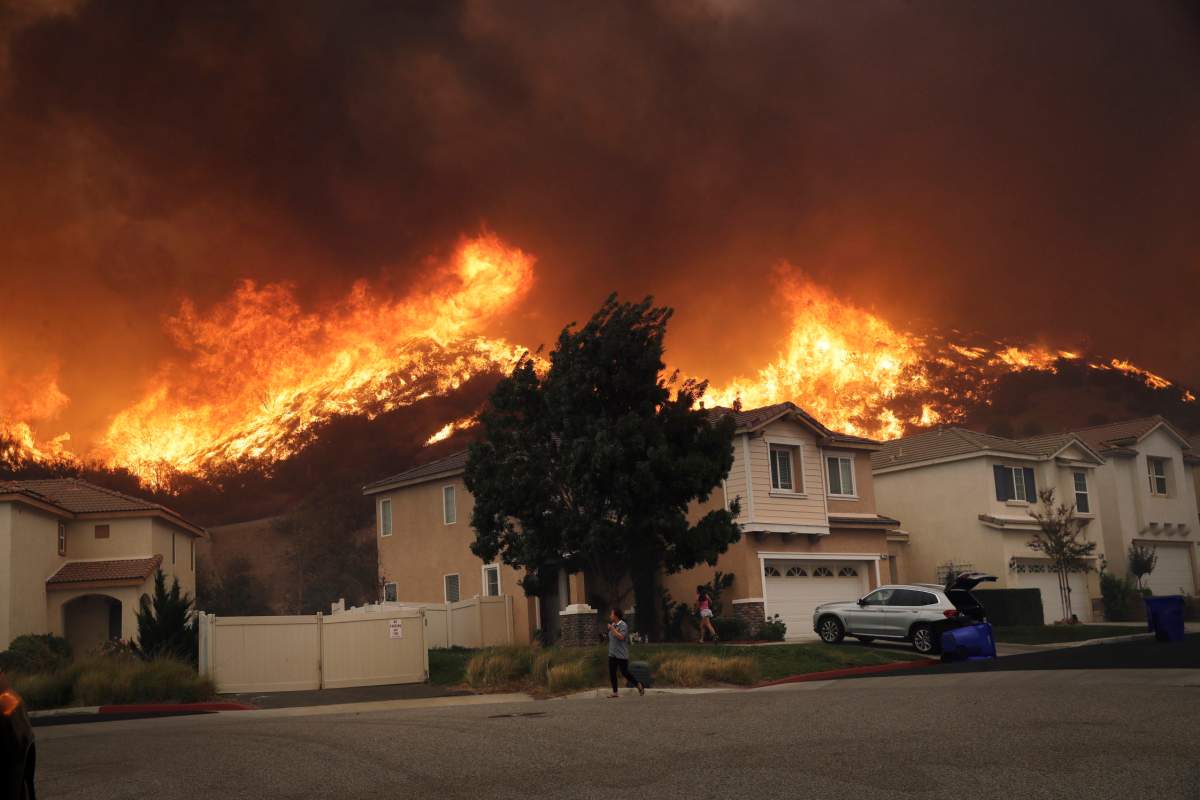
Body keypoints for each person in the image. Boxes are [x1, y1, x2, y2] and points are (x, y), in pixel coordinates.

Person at [605, 608, 644, 698]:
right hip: (612, 654)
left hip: (621, 655)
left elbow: (621, 637)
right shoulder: (613, 625)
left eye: (611, 614)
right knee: (612, 673)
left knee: (625, 673)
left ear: (616, 615)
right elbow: (612, 638)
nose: (610, 616)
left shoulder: (623, 625)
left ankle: (638, 684)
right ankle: (615, 692)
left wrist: (612, 629)